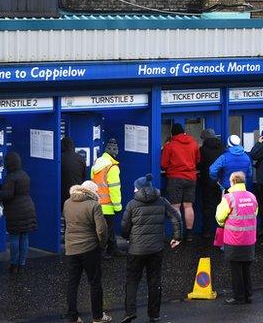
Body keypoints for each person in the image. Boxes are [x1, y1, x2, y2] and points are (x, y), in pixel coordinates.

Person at [120, 174, 182, 323]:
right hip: (156, 249)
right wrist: (176, 237)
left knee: (132, 281)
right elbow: (175, 217)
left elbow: (124, 227)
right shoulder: (161, 201)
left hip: (136, 250)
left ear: (139, 189)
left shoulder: (132, 204)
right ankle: (154, 314)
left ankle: (130, 312)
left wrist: (128, 237)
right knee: (154, 281)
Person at [63, 180, 111, 323]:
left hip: (71, 248)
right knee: (95, 283)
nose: (97, 193)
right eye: (96, 191)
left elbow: (67, 224)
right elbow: (101, 230)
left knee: (72, 283)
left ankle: (72, 317)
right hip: (90, 248)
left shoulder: (67, 203)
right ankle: (97, 316)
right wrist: (102, 245)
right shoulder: (94, 205)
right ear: (90, 192)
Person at [215, 172, 258, 305]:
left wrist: (224, 224)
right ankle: (248, 295)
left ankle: (239, 297)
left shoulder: (228, 198)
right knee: (246, 268)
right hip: (249, 239)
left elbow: (220, 217)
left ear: (233, 181)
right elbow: (255, 213)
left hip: (234, 240)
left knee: (236, 270)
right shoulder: (252, 196)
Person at [0, 152, 37, 273]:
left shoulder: (11, 177)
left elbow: (7, 195)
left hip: (15, 210)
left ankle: (13, 265)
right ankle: (22, 265)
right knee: (24, 237)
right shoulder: (25, 175)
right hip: (28, 207)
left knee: (14, 237)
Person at [160, 123, 200, 242]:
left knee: (175, 207)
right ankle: (189, 234)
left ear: (172, 133)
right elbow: (198, 160)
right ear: (183, 132)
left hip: (175, 178)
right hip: (191, 177)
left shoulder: (170, 146)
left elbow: (164, 164)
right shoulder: (194, 143)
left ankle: (178, 234)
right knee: (188, 206)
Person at [91, 138, 125, 259]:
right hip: (108, 205)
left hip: (97, 202)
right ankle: (102, 251)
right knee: (105, 230)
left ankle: (112, 248)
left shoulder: (97, 163)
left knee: (103, 229)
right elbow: (114, 188)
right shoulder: (112, 167)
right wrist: (118, 206)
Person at [197, 129, 225, 238]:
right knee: (221, 206)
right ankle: (220, 230)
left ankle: (207, 231)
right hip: (220, 182)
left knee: (207, 206)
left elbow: (199, 165)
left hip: (207, 182)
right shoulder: (223, 148)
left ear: (204, 138)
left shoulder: (202, 150)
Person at [61, 137, 87, 213]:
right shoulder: (81, 158)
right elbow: (84, 177)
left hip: (63, 192)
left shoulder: (60, 158)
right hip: (76, 192)